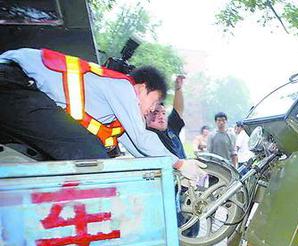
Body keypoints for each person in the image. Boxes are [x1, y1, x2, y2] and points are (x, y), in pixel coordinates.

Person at [0, 48, 205, 183]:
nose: (152, 110)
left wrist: (172, 168)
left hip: (18, 93)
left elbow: (138, 148)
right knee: (91, 157)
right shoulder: (123, 86)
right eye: (153, 102)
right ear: (142, 88)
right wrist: (179, 162)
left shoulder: (116, 114)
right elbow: (142, 139)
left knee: (94, 155)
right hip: (13, 84)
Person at [146, 75, 206, 246]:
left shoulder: (170, 128)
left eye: (163, 112)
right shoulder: (144, 137)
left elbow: (178, 110)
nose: (161, 116)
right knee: (173, 225)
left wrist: (178, 89)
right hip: (166, 191)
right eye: (155, 113)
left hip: (186, 188)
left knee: (192, 221)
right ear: (145, 115)